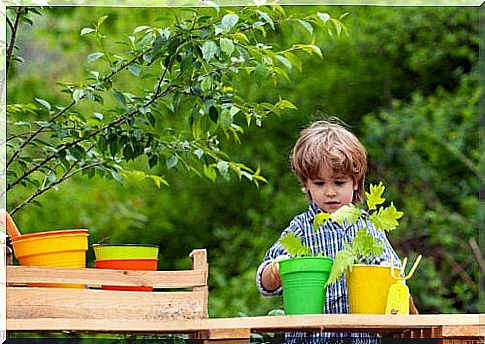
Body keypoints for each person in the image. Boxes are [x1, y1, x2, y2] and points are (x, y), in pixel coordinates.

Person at [256, 119, 412, 344]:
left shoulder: (368, 228)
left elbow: (396, 277)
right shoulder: (300, 229)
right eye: (319, 184)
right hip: (311, 339)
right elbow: (264, 283)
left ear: (356, 183)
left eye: (339, 183)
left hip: (361, 338)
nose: (330, 192)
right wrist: (276, 271)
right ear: (306, 184)